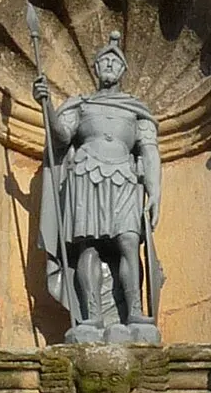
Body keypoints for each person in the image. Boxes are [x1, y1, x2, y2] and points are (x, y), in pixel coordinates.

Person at [32, 32, 163, 341]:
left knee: (129, 242)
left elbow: (149, 150)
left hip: (125, 178)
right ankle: (90, 316)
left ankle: (134, 310)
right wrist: (47, 104)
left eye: (114, 62)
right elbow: (61, 137)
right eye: (103, 61)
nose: (108, 65)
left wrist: (155, 191)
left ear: (122, 71)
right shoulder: (81, 105)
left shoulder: (135, 109)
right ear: (95, 67)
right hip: (85, 175)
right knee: (88, 245)